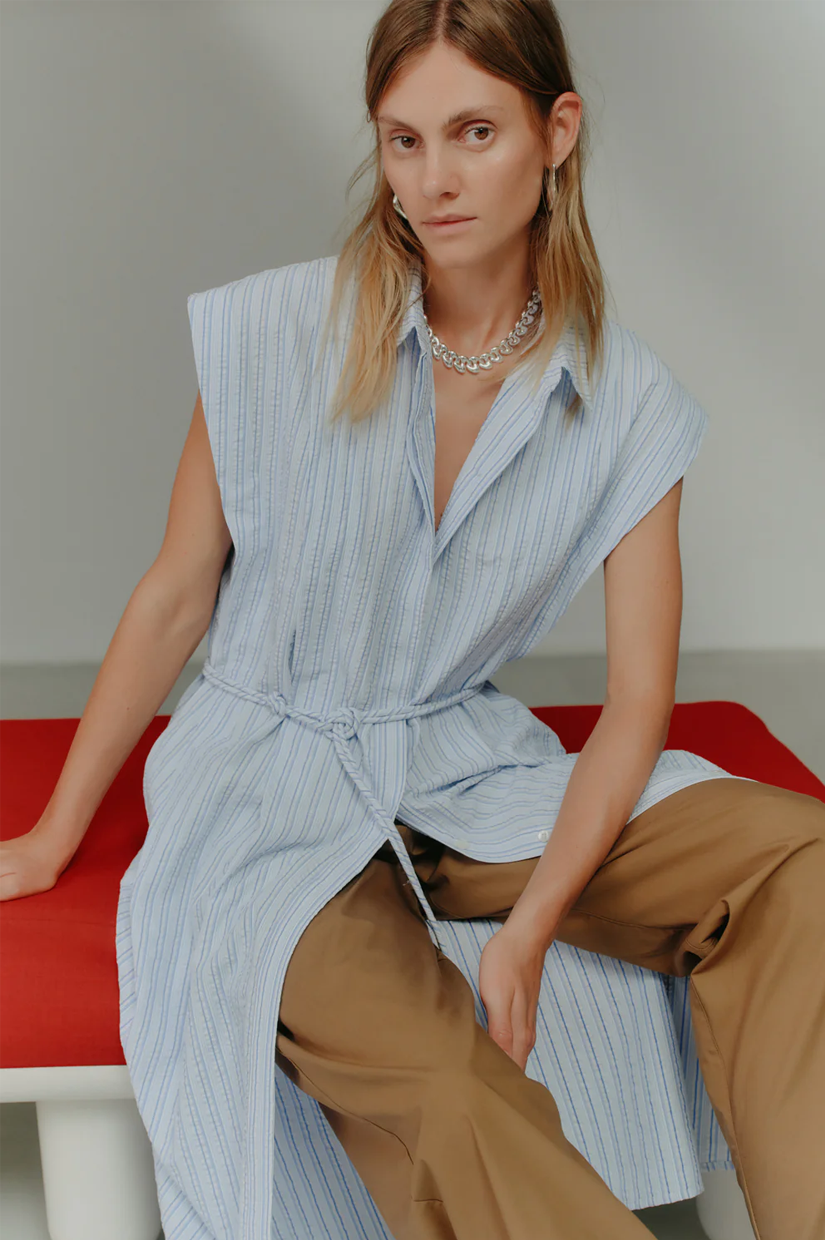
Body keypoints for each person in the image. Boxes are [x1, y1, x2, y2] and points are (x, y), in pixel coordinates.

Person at [3, 2, 823, 1239]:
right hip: (267, 795)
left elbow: (638, 706)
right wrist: (55, 833)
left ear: (556, 132)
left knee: (801, 861)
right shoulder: (276, 332)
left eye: (474, 132)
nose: (432, 180)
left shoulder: (630, 404)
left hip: (467, 774)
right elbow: (176, 594)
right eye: (404, 139)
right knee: (443, 1081)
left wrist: (531, 927)